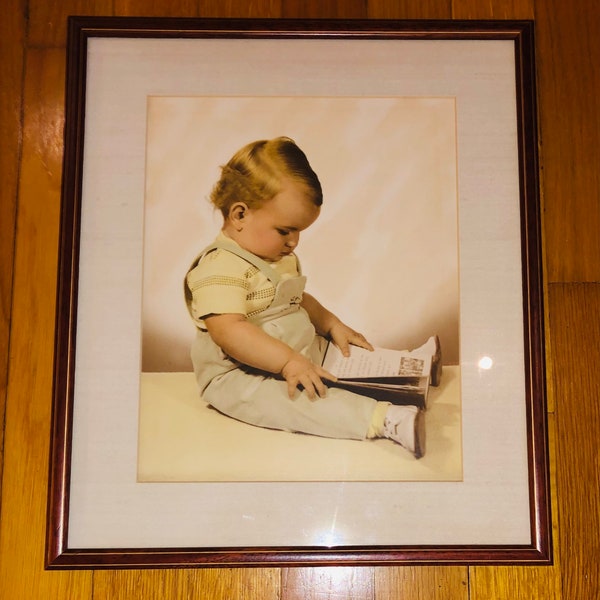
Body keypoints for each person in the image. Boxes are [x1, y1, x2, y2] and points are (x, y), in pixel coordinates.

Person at [184, 137, 441, 459]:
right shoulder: (218, 269)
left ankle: (412, 367)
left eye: (299, 231)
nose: (294, 242)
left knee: (346, 357)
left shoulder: (275, 257)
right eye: (285, 230)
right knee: (296, 402)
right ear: (239, 215)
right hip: (238, 374)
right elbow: (229, 331)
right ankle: (385, 419)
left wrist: (331, 324)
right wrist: (289, 362)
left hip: (296, 350)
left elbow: (298, 300)